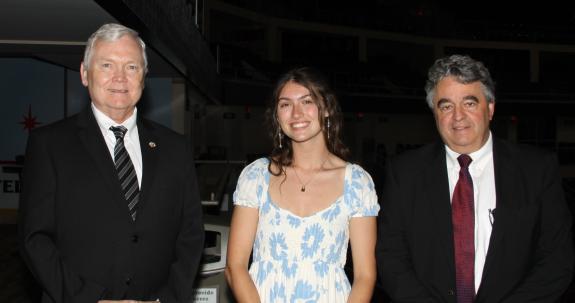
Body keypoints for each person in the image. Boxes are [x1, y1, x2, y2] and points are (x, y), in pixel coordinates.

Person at [19, 23, 204, 303]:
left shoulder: (175, 148)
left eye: (131, 67)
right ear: (84, 73)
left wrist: (167, 299)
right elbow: (34, 239)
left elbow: (190, 234)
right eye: (107, 65)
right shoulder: (49, 145)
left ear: (144, 77)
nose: (120, 78)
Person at [377, 54, 574, 302]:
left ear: (490, 108)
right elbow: (391, 257)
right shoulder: (404, 173)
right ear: (434, 113)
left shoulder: (537, 170)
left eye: (469, 103)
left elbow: (557, 260)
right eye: (446, 106)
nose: (458, 116)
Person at [225, 67, 380, 302]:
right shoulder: (256, 176)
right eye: (285, 104)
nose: (296, 113)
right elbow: (235, 266)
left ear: (326, 108)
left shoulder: (357, 183)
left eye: (307, 101)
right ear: (277, 115)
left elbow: (365, 276)